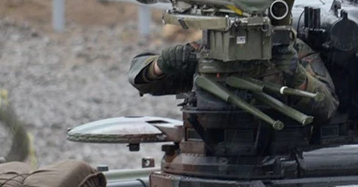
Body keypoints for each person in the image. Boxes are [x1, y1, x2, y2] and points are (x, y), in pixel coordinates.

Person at [128, 38, 339, 123]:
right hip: (214, 152)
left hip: (278, 150)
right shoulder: (211, 48)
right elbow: (143, 80)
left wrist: (297, 78)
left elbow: (327, 107)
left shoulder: (290, 48)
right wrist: (160, 65)